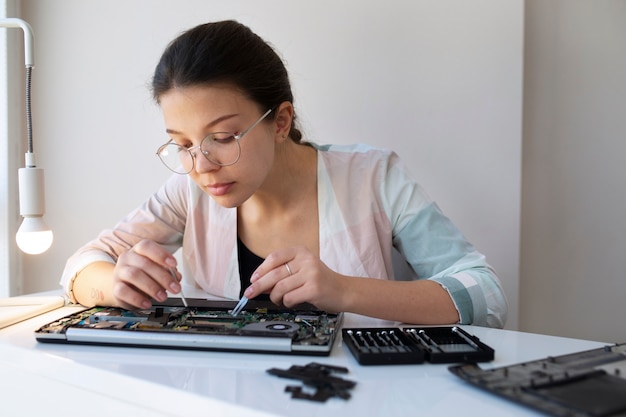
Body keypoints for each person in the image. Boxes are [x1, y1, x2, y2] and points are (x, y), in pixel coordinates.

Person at [61, 20, 507, 328]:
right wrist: (117, 284)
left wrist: (343, 290)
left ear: (279, 121)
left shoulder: (372, 178)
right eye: (182, 144)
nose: (201, 165)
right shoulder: (187, 193)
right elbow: (80, 268)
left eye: (222, 136)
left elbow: (486, 296)